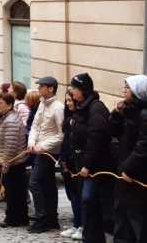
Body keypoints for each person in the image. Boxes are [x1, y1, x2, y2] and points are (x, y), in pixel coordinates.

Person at [108, 75, 147, 243]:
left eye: (127, 88)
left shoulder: (144, 115)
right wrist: (115, 114)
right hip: (123, 170)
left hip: (136, 175)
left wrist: (128, 169)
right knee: (121, 214)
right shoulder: (128, 111)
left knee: (137, 218)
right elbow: (113, 132)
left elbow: (143, 147)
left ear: (136, 91)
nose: (123, 90)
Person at [69, 73, 114, 243]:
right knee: (87, 201)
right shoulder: (81, 107)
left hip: (96, 166)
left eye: (74, 88)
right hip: (82, 163)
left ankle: (93, 238)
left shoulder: (96, 107)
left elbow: (96, 138)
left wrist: (87, 165)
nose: (72, 92)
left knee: (89, 200)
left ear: (83, 89)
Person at [27, 76, 64, 233]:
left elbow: (61, 135)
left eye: (42, 86)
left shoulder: (58, 107)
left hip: (49, 152)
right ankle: (51, 219)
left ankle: (42, 218)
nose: (39, 89)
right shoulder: (42, 104)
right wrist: (31, 142)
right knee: (48, 185)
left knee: (34, 183)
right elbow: (35, 126)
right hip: (38, 150)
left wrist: (42, 146)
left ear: (51, 89)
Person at [0, 93, 29, 228]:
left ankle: (12, 218)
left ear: (9, 105)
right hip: (15, 161)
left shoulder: (10, 120)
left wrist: (5, 162)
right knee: (17, 191)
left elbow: (11, 145)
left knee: (13, 192)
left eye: (0, 103)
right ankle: (20, 217)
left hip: (13, 162)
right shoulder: (8, 118)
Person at [60, 89, 83, 240]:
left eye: (70, 100)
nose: (68, 103)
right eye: (67, 100)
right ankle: (76, 223)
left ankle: (82, 225)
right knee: (72, 195)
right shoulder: (68, 118)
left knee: (80, 195)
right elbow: (65, 140)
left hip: (78, 162)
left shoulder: (81, 118)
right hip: (68, 161)